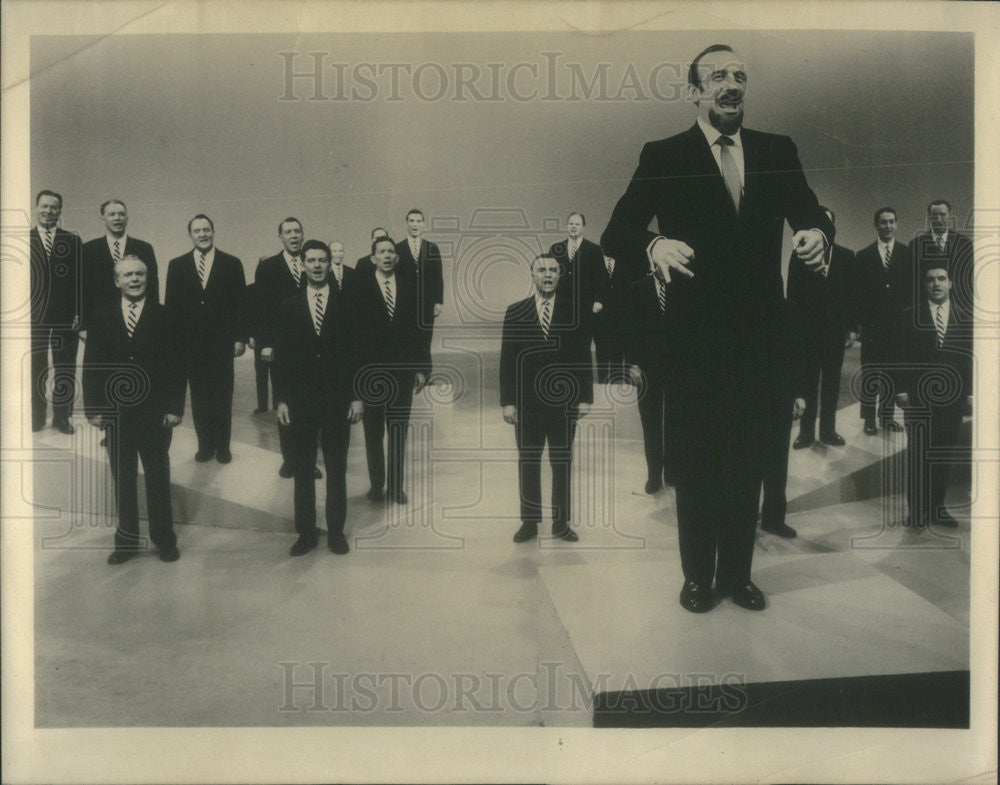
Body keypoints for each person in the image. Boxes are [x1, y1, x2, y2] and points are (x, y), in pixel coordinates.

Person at [601, 44, 834, 613]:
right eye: (718, 76)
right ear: (694, 91)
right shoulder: (665, 153)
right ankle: (697, 577)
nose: (732, 84)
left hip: (760, 340)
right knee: (700, 463)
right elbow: (616, 232)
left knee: (749, 461)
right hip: (693, 343)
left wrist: (814, 233)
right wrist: (653, 244)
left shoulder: (777, 149)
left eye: (740, 76)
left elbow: (808, 209)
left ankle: (737, 574)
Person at [82, 255, 184, 564]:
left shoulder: (166, 316)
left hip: (155, 415)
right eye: (128, 275)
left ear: (148, 278)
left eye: (140, 274)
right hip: (117, 415)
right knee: (123, 480)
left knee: (157, 476)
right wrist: (95, 409)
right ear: (117, 281)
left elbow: (175, 367)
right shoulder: (100, 317)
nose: (135, 279)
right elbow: (92, 366)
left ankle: (164, 540)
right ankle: (125, 542)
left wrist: (173, 408)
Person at [273, 240, 364, 557]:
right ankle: (306, 533)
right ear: (302, 265)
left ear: (329, 264)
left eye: (322, 260)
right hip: (299, 401)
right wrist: (281, 399)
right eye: (310, 260)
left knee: (337, 469)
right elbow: (281, 358)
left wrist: (357, 397)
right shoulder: (288, 306)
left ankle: (336, 533)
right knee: (303, 469)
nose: (316, 265)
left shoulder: (349, 305)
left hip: (338, 400)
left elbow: (357, 356)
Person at [500, 254, 593, 543]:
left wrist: (585, 397)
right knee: (528, 461)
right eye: (541, 270)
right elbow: (508, 359)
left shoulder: (574, 311)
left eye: (553, 270)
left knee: (561, 462)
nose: (548, 274)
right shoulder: (515, 311)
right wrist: (508, 401)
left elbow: (582, 359)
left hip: (564, 405)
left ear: (560, 275)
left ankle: (561, 523)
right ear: (532, 275)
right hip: (527, 405)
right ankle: (529, 523)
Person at [351, 236, 429, 504]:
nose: (386, 255)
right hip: (371, 375)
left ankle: (396, 487)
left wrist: (422, 368)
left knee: (398, 430)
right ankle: (377, 485)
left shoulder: (410, 288)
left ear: (396, 258)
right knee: (373, 433)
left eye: (390, 252)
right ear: (372, 258)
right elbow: (353, 338)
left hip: (402, 373)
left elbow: (420, 332)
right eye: (381, 251)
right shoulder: (358, 289)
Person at [164, 214, 247, 464]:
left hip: (222, 343)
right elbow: (172, 307)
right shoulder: (176, 265)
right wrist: (174, 341)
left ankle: (223, 447)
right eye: (197, 230)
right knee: (199, 397)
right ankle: (205, 445)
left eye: (206, 229)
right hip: (191, 344)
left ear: (213, 231)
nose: (202, 234)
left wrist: (239, 337)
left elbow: (241, 305)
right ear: (190, 235)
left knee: (222, 396)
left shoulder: (232, 263)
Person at [894, 264, 972, 529]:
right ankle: (916, 512)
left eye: (941, 279)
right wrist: (901, 389)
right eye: (930, 280)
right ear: (924, 285)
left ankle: (938, 508)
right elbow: (899, 356)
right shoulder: (909, 316)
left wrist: (971, 394)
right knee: (918, 456)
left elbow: (970, 360)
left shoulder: (966, 317)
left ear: (950, 283)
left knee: (942, 456)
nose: (936, 284)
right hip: (917, 399)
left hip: (953, 400)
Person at [787, 206, 856, 449]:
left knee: (831, 385)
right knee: (807, 383)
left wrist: (852, 329)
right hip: (807, 335)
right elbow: (792, 297)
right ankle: (806, 434)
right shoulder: (799, 257)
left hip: (834, 334)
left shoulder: (847, 257)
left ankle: (828, 432)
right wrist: (793, 332)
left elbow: (852, 297)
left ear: (832, 230)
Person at [254, 218, 308, 477]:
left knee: (309, 403)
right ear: (280, 237)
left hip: (310, 346)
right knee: (285, 401)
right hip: (281, 346)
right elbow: (260, 308)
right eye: (288, 232)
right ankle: (289, 459)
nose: (294, 235)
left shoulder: (313, 262)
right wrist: (265, 343)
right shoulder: (268, 268)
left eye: (297, 231)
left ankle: (306, 460)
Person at [29, 190, 83, 434]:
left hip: (65, 317)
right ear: (36, 207)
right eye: (44, 206)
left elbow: (81, 281)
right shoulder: (23, 240)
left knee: (65, 367)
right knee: (36, 366)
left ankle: (62, 417)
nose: (48, 211)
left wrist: (79, 313)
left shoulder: (71, 240)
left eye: (54, 207)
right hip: (33, 317)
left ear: (60, 212)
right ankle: (37, 417)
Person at [855, 207, 911, 435]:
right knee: (870, 373)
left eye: (891, 222)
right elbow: (856, 293)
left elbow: (910, 292)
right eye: (883, 222)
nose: (887, 226)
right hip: (872, 328)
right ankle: (869, 419)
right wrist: (859, 324)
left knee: (890, 373)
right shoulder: (864, 255)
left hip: (897, 328)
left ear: (896, 224)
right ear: (875, 225)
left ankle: (886, 417)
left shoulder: (906, 253)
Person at [623, 264, 676, 494]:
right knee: (650, 422)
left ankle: (673, 472)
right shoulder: (637, 289)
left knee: (676, 420)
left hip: (678, 367)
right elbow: (628, 329)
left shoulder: (683, 287)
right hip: (646, 368)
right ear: (652, 263)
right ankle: (654, 475)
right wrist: (631, 364)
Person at [759, 298, 808, 538]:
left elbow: (798, 354)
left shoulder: (789, 309)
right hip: (746, 398)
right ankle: (743, 520)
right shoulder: (736, 306)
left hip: (780, 396)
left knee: (778, 461)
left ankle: (773, 519)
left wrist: (798, 394)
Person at [81, 199, 159, 330]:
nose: (117, 218)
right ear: (102, 219)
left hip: (136, 318)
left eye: (121, 214)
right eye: (111, 214)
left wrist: (154, 318)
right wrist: (84, 325)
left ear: (127, 218)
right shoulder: (88, 249)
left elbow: (152, 285)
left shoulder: (144, 248)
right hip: (100, 320)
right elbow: (83, 288)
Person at [549, 212, 606, 352]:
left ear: (583, 228)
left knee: (581, 346)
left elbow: (601, 277)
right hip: (561, 307)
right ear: (567, 226)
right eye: (571, 224)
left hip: (585, 307)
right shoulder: (556, 249)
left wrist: (599, 300)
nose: (573, 227)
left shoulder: (594, 250)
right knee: (561, 346)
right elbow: (549, 275)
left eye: (577, 224)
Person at [911, 200, 974, 325]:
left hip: (958, 310)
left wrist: (965, 309)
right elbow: (914, 282)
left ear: (950, 215)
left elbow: (968, 280)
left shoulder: (963, 243)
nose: (939, 219)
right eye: (934, 216)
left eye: (942, 215)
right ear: (929, 218)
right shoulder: (916, 244)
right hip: (927, 311)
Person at [395, 209, 444, 360]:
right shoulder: (397, 248)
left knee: (425, 339)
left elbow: (438, 276)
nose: (415, 224)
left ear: (423, 224)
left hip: (427, 303)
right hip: (404, 304)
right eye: (411, 221)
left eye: (418, 221)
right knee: (407, 339)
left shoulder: (432, 248)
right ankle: (409, 376)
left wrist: (438, 301)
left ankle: (425, 373)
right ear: (406, 224)